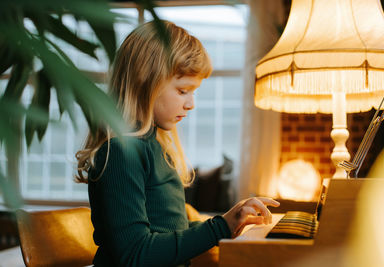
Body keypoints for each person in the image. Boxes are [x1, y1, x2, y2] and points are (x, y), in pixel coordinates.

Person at [75, 20, 279, 267]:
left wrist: (231, 223)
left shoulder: (154, 146)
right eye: (183, 91)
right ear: (144, 82)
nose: (191, 103)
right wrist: (219, 228)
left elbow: (169, 228)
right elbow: (134, 254)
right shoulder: (122, 153)